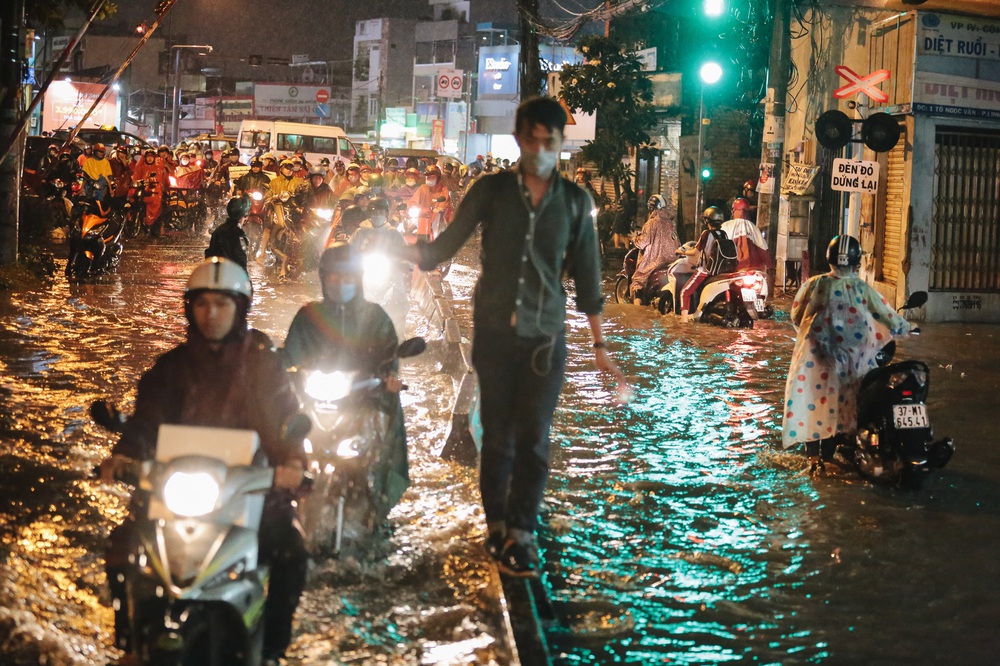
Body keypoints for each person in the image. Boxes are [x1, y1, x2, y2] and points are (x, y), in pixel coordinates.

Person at [391, 96, 627, 578]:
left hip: (545, 341)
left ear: (561, 144)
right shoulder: (491, 191)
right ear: (519, 140)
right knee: (497, 438)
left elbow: (589, 280)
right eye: (533, 140)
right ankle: (496, 526)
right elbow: (443, 247)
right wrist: (399, 249)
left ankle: (522, 532)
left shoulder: (576, 202)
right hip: (495, 336)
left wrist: (601, 347)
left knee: (534, 440)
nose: (541, 149)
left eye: (550, 142)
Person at [99, 257, 309, 662]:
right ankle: (128, 639)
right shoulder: (169, 368)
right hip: (174, 489)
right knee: (121, 546)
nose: (211, 314)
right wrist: (122, 456)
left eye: (222, 304)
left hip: (249, 489)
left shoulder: (265, 368)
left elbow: (286, 423)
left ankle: (273, 649)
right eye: (202, 304)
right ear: (190, 309)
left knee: (291, 551)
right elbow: (145, 423)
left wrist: (293, 466)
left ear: (240, 309)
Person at [283, 243, 410, 521]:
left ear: (358, 280)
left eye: (348, 277)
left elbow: (390, 358)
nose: (340, 283)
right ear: (323, 279)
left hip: (362, 401)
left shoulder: (376, 318)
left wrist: (389, 379)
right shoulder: (308, 317)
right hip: (316, 401)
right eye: (334, 277)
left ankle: (377, 498)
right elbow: (288, 357)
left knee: (384, 430)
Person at [782, 235, 912, 473]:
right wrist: (907, 328)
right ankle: (830, 457)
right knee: (839, 406)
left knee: (814, 402)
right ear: (856, 262)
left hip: (814, 357)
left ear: (829, 259)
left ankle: (813, 458)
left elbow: (796, 316)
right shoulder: (862, 288)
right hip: (850, 360)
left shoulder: (815, 284)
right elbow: (887, 315)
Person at [677, 206, 732, 322]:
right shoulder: (724, 234)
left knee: (685, 292)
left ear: (707, 220)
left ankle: (684, 320)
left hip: (705, 270)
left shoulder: (706, 234)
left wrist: (682, 251)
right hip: (721, 271)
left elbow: (694, 251)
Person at [630, 194, 680, 304]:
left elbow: (643, 242)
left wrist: (635, 239)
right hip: (673, 259)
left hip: (656, 259)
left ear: (651, 208)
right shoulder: (671, 222)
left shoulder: (651, 223)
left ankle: (637, 309)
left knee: (639, 279)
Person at [407, 164, 452, 242]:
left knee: (439, 234)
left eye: (431, 177)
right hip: (421, 218)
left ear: (438, 178)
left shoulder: (444, 190)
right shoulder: (422, 188)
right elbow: (413, 201)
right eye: (427, 177)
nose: (428, 179)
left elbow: (445, 205)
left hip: (437, 220)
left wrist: (440, 209)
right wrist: (412, 207)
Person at [206, 197, 251, 270]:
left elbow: (209, 256)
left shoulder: (218, 231)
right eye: (245, 216)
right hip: (232, 277)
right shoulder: (239, 235)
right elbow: (242, 263)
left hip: (217, 276)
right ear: (243, 217)